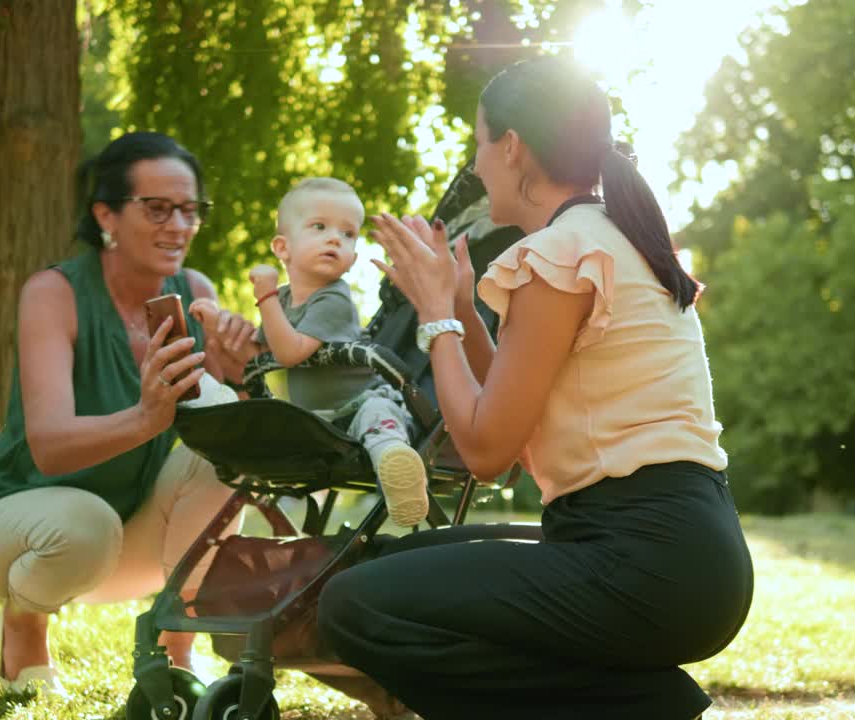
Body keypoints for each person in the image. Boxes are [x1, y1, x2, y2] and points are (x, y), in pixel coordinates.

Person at [317, 55, 755, 720]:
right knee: (380, 565)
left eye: (478, 146)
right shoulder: (605, 237)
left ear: (513, 147)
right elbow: (514, 416)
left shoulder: (564, 254)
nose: (476, 166)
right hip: (673, 555)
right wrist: (462, 309)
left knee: (356, 604)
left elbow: (487, 454)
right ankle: (651, 703)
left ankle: (648, 707)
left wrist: (436, 318)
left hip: (646, 560)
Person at [0, 131, 258, 694]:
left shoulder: (193, 290)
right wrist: (147, 416)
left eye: (190, 210)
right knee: (86, 523)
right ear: (106, 215)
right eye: (158, 208)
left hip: (124, 541)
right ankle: (24, 620)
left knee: (220, 459)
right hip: (13, 536)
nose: (179, 226)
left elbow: (225, 440)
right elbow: (49, 446)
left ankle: (177, 653)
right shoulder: (53, 293)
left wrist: (240, 378)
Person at [191, 177, 430, 527]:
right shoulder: (284, 299)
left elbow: (289, 354)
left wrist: (264, 296)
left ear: (353, 258)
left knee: (380, 419)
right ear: (282, 248)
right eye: (319, 227)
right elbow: (258, 352)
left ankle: (398, 469)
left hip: (359, 403)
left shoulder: (333, 298)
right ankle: (211, 404)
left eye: (348, 234)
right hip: (316, 419)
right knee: (274, 416)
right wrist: (219, 324)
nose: (335, 238)